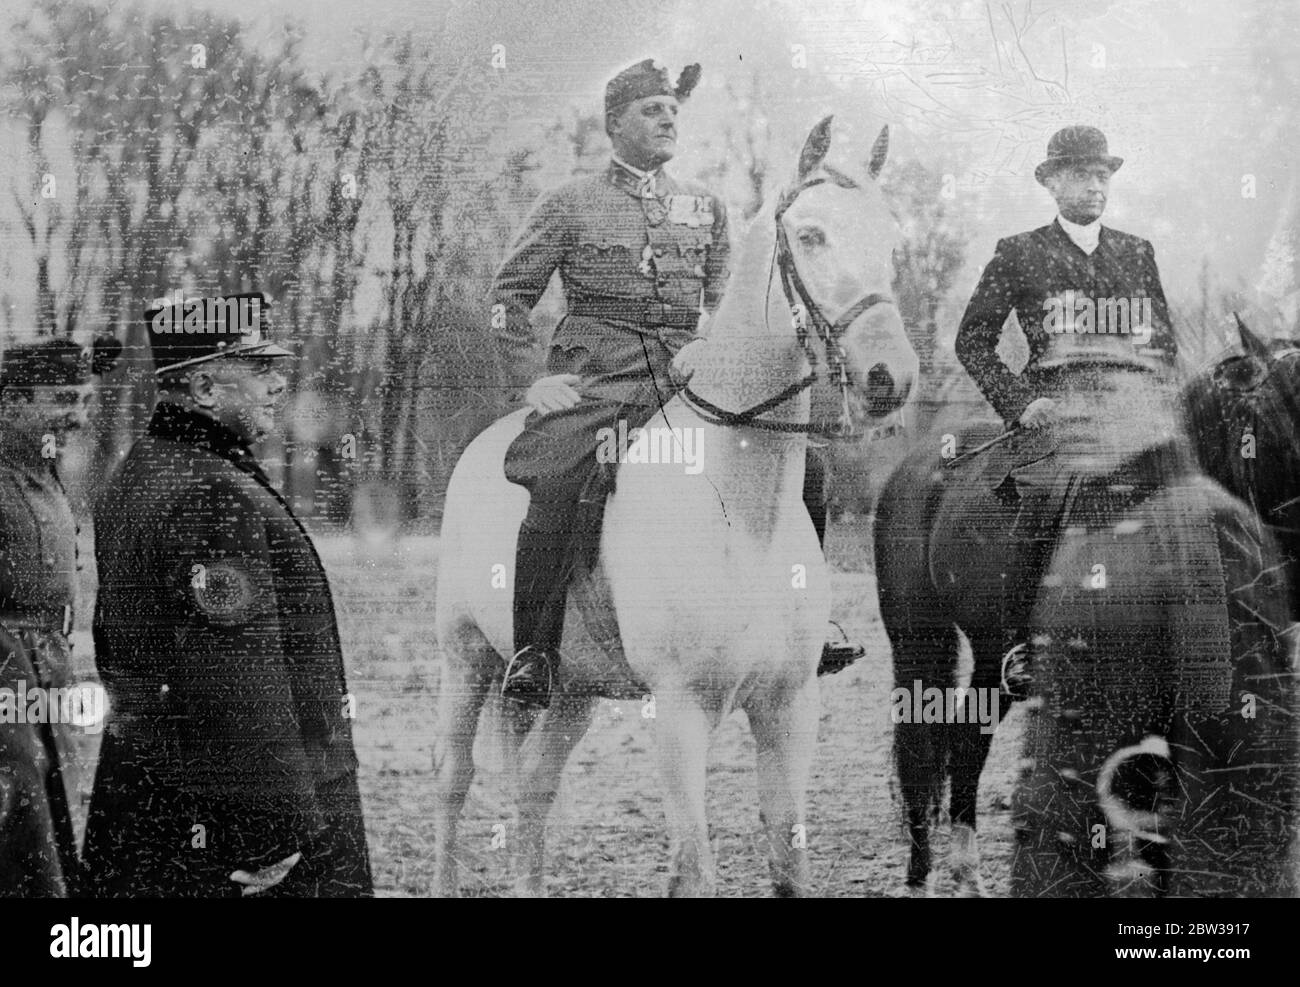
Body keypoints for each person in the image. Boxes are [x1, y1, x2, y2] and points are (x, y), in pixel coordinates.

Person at [494, 58, 860, 708]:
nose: (667, 119)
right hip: (598, 377)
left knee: (806, 468)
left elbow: (727, 299)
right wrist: (532, 380)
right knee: (558, 478)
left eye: (672, 109)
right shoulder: (569, 202)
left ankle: (806, 620)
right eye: (651, 109)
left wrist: (706, 342)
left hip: (687, 372)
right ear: (615, 124)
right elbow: (508, 297)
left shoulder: (706, 206)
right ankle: (535, 650)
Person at [83, 293, 372, 897]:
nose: (277, 384)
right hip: (230, 811)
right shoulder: (211, 492)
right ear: (206, 389)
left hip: (154, 785)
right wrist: (268, 830)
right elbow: (236, 673)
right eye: (259, 369)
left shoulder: (143, 467)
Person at [951, 125, 1180, 695]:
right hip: (1054, 413)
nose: (1095, 184)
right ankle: (1020, 643)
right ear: (1052, 182)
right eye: (1081, 173)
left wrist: (1149, 395)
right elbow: (973, 340)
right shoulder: (1019, 252)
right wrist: (1020, 402)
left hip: (1130, 411)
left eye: (1103, 174)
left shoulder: (1136, 251)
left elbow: (1163, 343)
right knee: (1049, 491)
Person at [0, 336, 119, 896]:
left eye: (85, 399)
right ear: (13, 402)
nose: (78, 415)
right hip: (6, 663)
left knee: (54, 800)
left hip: (49, 659)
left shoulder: (46, 469)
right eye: (62, 398)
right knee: (17, 803)